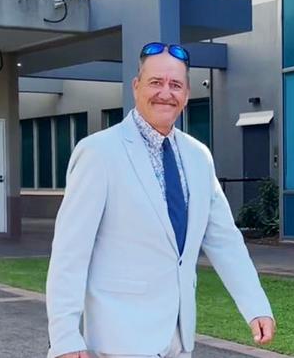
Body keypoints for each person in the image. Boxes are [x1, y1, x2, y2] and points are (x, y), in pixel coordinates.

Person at [45, 42, 275, 358]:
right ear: (136, 87)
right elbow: (70, 253)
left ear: (186, 94)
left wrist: (256, 305)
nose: (165, 92)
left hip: (179, 339)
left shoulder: (198, 157)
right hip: (118, 341)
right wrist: (65, 338)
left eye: (175, 84)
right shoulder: (98, 153)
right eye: (156, 82)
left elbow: (225, 240)